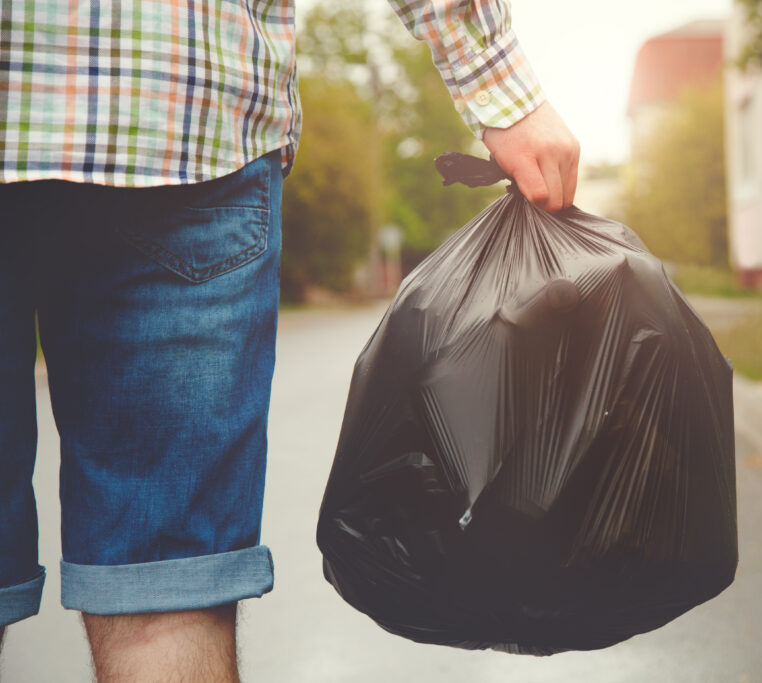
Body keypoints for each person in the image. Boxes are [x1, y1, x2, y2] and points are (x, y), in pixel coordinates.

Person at [0, 0, 579, 679]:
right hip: (180, 112)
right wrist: (497, 81)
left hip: (180, 129)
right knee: (169, 590)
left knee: (174, 581)